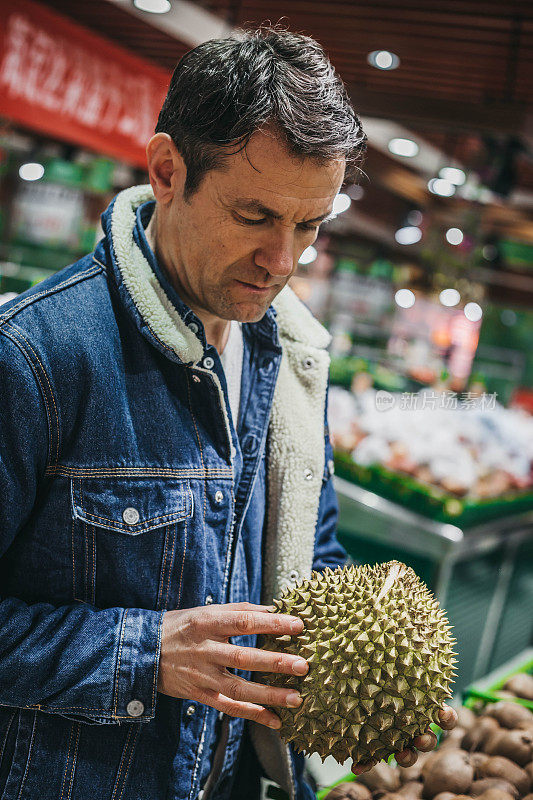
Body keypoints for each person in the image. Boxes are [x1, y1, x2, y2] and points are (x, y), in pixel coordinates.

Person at [0, 26, 456, 800]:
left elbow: (309, 560)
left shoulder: (292, 360)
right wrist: (143, 650)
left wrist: (374, 672)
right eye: (255, 216)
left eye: (307, 227)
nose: (282, 261)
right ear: (168, 170)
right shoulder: (35, 357)